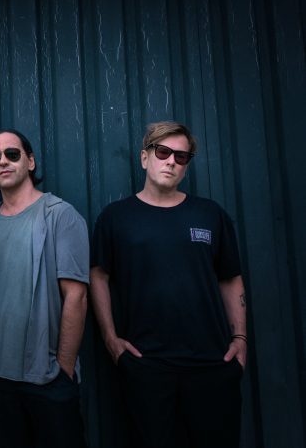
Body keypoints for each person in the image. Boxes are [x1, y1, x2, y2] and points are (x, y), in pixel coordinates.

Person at [90, 121, 247, 448]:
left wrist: (240, 340)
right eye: (162, 152)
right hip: (146, 365)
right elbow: (99, 276)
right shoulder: (116, 217)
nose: (171, 161)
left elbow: (230, 278)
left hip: (212, 363)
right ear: (144, 157)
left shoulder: (210, 215)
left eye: (181, 156)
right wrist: (110, 339)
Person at [0, 129, 89, 448]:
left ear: (30, 161)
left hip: (47, 379)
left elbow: (76, 296)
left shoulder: (60, 216)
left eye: (12, 154)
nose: (3, 161)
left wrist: (63, 369)